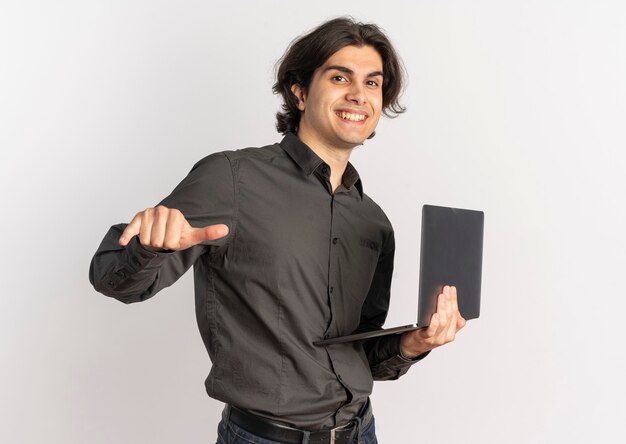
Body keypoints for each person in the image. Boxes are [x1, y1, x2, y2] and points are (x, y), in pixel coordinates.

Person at [89, 16, 465, 444]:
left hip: (361, 432)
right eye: (340, 77)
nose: (359, 95)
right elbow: (113, 280)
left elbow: (356, 355)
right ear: (300, 91)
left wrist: (413, 345)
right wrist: (148, 249)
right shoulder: (231, 178)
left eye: (373, 83)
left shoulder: (373, 221)